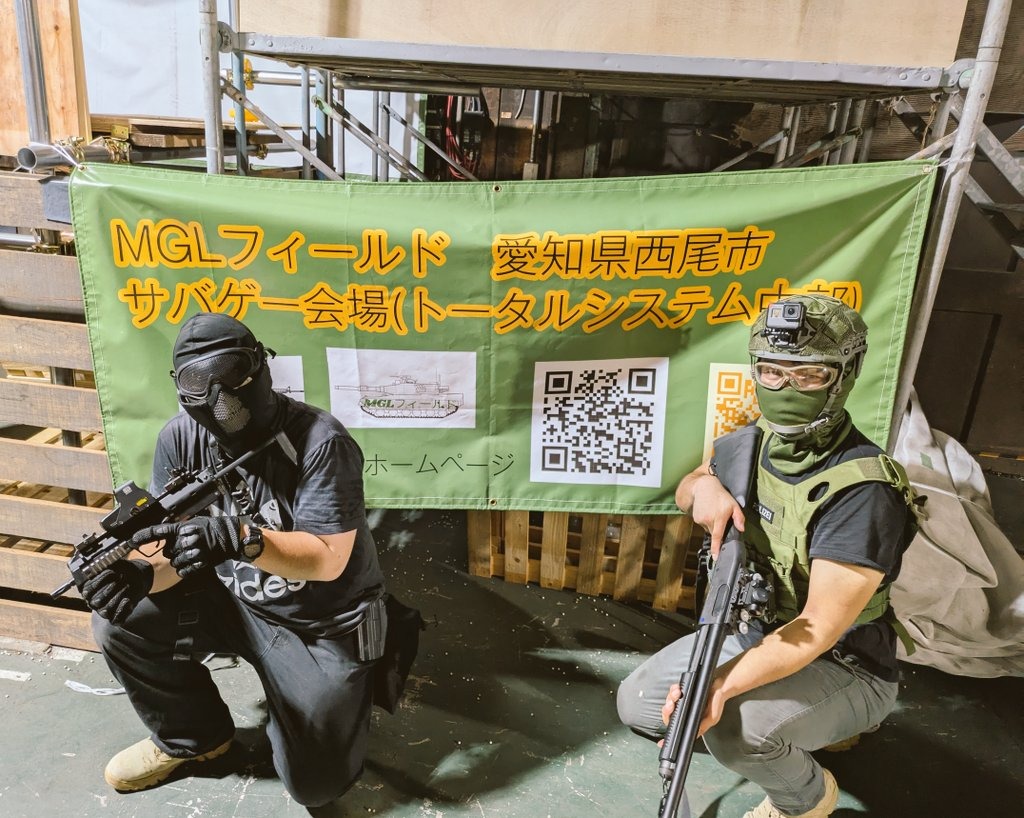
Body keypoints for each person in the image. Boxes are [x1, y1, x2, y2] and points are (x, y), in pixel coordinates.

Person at [617, 294, 920, 818]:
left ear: (844, 377)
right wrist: (702, 489)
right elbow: (692, 485)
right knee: (639, 705)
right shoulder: (749, 446)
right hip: (753, 631)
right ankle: (789, 729)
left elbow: (818, 628)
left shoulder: (863, 492)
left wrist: (717, 687)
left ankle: (807, 798)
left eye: (809, 375)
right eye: (773, 372)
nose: (785, 388)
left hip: (845, 662)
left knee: (734, 729)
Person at [78, 312, 390, 808]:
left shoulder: (320, 441)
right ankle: (195, 740)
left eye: (232, 374)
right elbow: (172, 552)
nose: (221, 400)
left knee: (316, 786)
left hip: (319, 623)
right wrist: (139, 575)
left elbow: (327, 560)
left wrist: (243, 539)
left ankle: (327, 700)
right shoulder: (180, 439)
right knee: (119, 621)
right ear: (180, 386)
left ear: (261, 365)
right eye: (200, 383)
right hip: (234, 602)